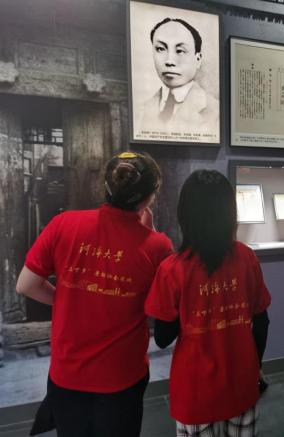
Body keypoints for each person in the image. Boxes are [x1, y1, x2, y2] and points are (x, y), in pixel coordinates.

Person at [16, 152, 173, 437]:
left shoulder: (63, 224)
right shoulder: (158, 246)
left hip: (67, 374)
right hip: (122, 376)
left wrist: (66, 298)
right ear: (150, 197)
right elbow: (156, 304)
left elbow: (26, 285)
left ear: (107, 186)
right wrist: (150, 235)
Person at [145, 170, 271, 437]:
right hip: (242, 382)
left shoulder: (172, 269)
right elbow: (262, 321)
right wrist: (256, 366)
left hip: (195, 392)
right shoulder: (247, 258)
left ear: (185, 215)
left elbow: (163, 338)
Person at [138, 18, 219, 134]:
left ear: (198, 59)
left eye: (180, 51)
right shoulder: (141, 110)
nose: (169, 61)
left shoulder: (216, 112)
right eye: (160, 49)